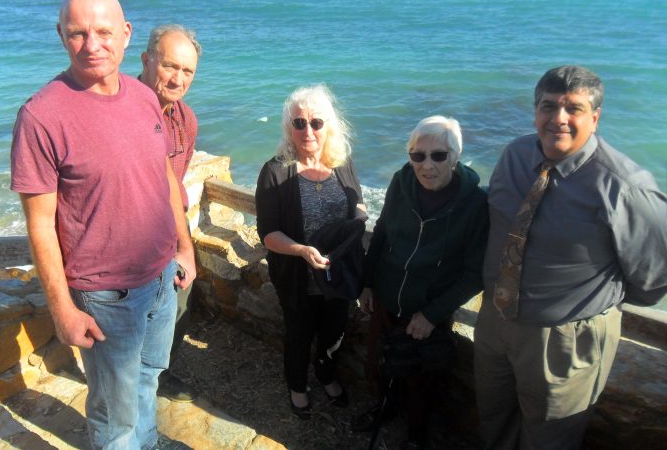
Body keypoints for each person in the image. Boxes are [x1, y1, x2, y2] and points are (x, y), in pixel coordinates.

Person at [10, 0, 195, 450]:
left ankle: (148, 442)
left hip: (160, 278)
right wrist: (61, 310)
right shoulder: (40, 116)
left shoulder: (143, 97)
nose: (92, 45)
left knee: (149, 378)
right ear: (60, 35)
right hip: (105, 296)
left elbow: (164, 179)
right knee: (114, 413)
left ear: (127, 34)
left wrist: (185, 248)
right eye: (78, 33)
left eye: (104, 32)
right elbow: (40, 224)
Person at [474, 65, 667, 450]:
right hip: (495, 321)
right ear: (535, 111)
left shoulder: (625, 188)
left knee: (548, 440)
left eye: (573, 109)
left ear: (595, 117)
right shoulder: (514, 157)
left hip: (563, 341)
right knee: (493, 421)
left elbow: (655, 275)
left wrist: (593, 303)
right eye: (548, 107)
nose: (558, 119)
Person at [354, 116, 489, 450]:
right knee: (379, 363)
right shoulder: (401, 183)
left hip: (428, 310)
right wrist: (367, 283)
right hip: (386, 297)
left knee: (421, 380)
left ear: (456, 157)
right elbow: (382, 233)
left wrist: (431, 315)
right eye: (418, 156)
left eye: (439, 156)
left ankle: (416, 434)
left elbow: (475, 273)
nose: (427, 165)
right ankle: (384, 407)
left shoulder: (475, 204)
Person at [255, 84, 368, 419]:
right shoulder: (275, 171)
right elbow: (268, 234)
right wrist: (302, 250)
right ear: (289, 127)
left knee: (335, 331)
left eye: (316, 122)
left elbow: (356, 200)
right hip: (297, 277)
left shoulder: (342, 163)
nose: (308, 130)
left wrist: (361, 215)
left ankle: (327, 373)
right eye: (299, 123)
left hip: (338, 274)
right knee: (299, 334)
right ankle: (297, 385)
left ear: (328, 126)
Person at [139, 24, 201, 403]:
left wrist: (184, 243)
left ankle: (161, 373)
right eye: (169, 66)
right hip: (131, 247)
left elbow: (176, 181)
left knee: (178, 306)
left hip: (171, 237)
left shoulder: (185, 120)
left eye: (187, 71)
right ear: (146, 61)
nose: (178, 79)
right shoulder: (122, 110)